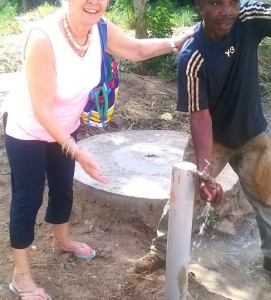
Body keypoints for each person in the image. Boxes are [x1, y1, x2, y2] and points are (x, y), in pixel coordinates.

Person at [0, 0, 194, 299]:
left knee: (64, 188)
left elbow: (137, 50)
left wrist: (174, 42)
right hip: (28, 130)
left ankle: (61, 241)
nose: (93, 2)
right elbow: (41, 109)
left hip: (65, 127)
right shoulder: (43, 37)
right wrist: (76, 151)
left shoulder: (99, 29)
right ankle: (21, 276)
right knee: (28, 197)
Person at [134, 0, 271, 290]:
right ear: (200, 4)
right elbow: (200, 116)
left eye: (232, 2)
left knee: (266, 199)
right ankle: (162, 251)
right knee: (184, 193)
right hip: (215, 138)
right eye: (216, 3)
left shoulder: (248, 16)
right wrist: (204, 170)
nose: (227, 11)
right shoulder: (193, 54)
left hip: (254, 134)